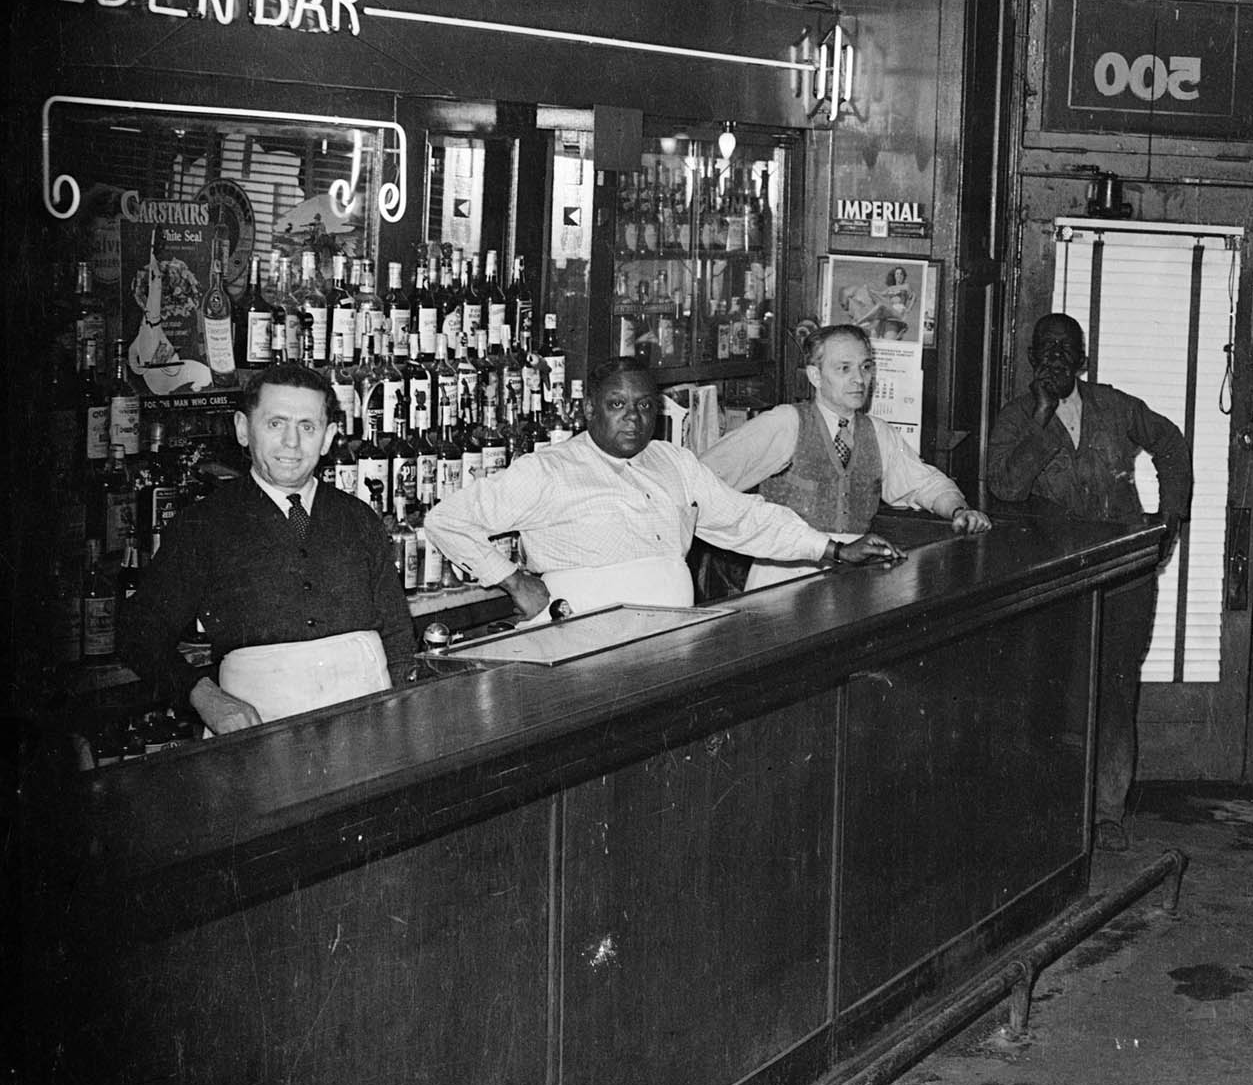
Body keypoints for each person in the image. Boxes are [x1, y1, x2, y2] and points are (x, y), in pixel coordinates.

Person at [423, 356, 901, 617]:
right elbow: (446, 520)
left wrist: (834, 550)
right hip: (582, 648)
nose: (633, 417)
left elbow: (742, 518)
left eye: (646, 406)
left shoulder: (671, 461)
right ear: (589, 410)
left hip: (669, 644)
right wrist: (513, 581)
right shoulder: (548, 470)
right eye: (617, 405)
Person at [984, 312, 1191, 851]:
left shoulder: (1116, 406)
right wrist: (1042, 418)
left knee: (1115, 689)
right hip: (1055, 576)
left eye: (1065, 349)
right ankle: (1056, 810)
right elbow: (1004, 487)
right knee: (1051, 692)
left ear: (1083, 359)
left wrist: (1170, 517)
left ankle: (1107, 813)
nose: (1054, 357)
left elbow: (1170, 443)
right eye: (1044, 349)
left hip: (1124, 573)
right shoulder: (1015, 418)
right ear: (1032, 359)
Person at [121, 360, 418, 734]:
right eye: (276, 424)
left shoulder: (358, 518)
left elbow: (398, 635)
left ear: (328, 438)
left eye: (307, 427)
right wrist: (204, 696)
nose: (291, 444)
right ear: (243, 430)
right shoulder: (204, 525)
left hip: (368, 722)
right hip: (257, 729)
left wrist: (406, 717)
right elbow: (138, 634)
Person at [698, 324, 989, 589]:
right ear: (815, 376)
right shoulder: (787, 422)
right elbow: (702, 478)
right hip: (782, 580)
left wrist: (958, 511)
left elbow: (925, 484)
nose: (859, 380)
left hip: (852, 579)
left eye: (865, 367)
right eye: (844, 369)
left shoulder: (878, 433)